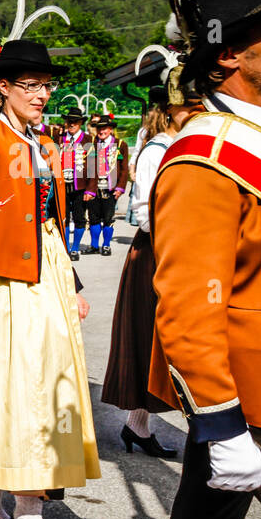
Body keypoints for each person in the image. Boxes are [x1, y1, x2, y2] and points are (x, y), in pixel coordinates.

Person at [127, 0, 261, 519]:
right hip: (247, 399)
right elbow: (186, 306)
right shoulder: (204, 156)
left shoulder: (255, 138)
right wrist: (220, 423)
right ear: (231, 58)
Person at [0, 39, 100, 519]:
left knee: (47, 386)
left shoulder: (46, 142)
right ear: (4, 87)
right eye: (30, 85)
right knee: (17, 389)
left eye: (46, 84)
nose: (41, 93)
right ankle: (18, 513)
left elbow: (53, 223)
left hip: (49, 271)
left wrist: (73, 283)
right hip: (8, 279)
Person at [101, 83, 191, 459]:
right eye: (192, 105)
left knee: (166, 345)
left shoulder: (181, 147)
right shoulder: (158, 151)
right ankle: (140, 425)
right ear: (171, 111)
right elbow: (144, 214)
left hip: (177, 252)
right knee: (150, 342)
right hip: (156, 253)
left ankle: (137, 425)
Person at [86, 114, 130, 256]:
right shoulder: (92, 144)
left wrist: (120, 188)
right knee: (93, 217)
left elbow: (124, 169)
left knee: (108, 218)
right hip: (94, 188)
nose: (101, 131)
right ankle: (94, 246)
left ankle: (106, 245)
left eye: (104, 128)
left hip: (111, 188)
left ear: (110, 129)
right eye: (99, 128)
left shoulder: (120, 144)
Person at [58, 108, 93, 260]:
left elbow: (93, 166)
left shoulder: (88, 140)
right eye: (69, 121)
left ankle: (75, 247)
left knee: (79, 217)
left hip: (81, 186)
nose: (71, 124)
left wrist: (91, 190)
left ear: (80, 123)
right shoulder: (59, 138)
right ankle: (65, 247)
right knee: (63, 217)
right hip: (62, 185)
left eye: (75, 121)